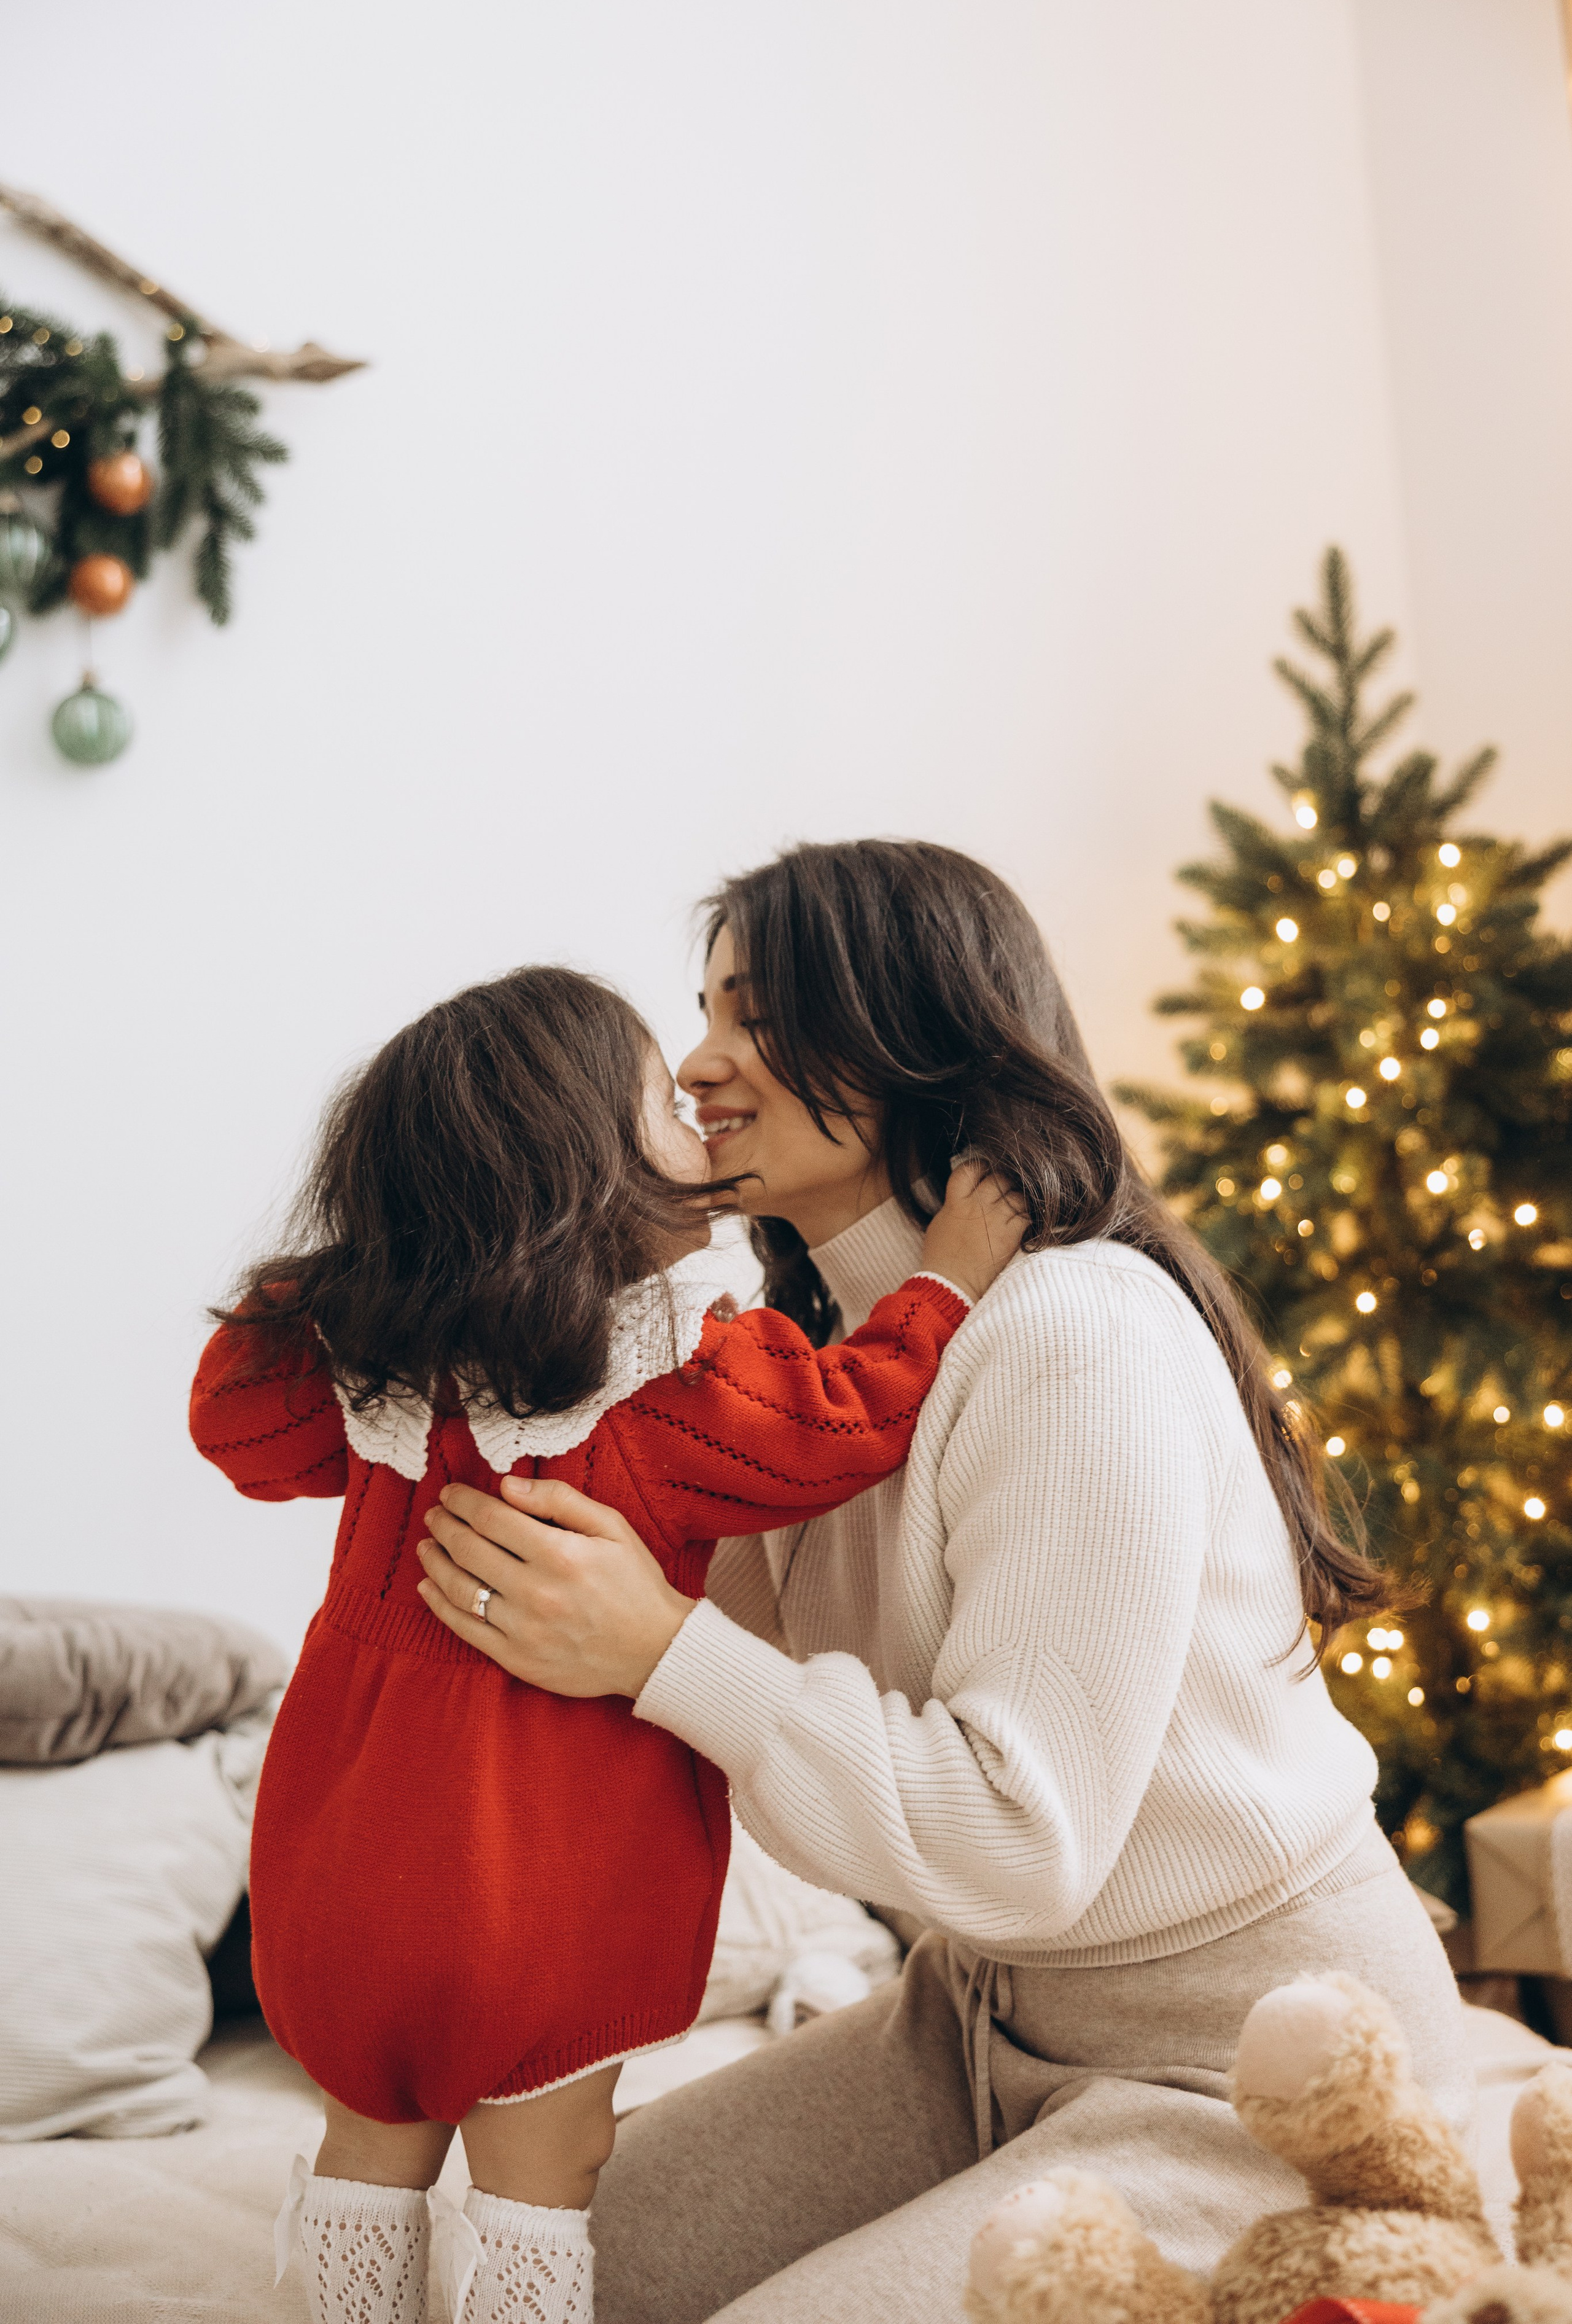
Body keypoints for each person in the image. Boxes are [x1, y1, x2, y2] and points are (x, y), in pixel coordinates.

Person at [416, 840, 1469, 2324]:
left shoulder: (1072, 1335)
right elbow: (767, 1755)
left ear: (908, 1034)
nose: (700, 1067)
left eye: (759, 1019)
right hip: (971, 2017)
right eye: (705, 1015)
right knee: (512, 2275)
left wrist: (658, 1651)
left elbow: (1016, 1841)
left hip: (1252, 2063)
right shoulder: (812, 1372)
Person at [189, 963, 1024, 2324]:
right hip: (540, 1881)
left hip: (340, 1869)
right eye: (661, 1100)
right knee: (545, 2172)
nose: (695, 1105)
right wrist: (946, 1282)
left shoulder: (367, 1376)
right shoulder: (664, 1379)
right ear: (581, 1167)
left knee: (368, 2150)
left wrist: (370, 1262)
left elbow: (231, 1426)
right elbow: (849, 1421)